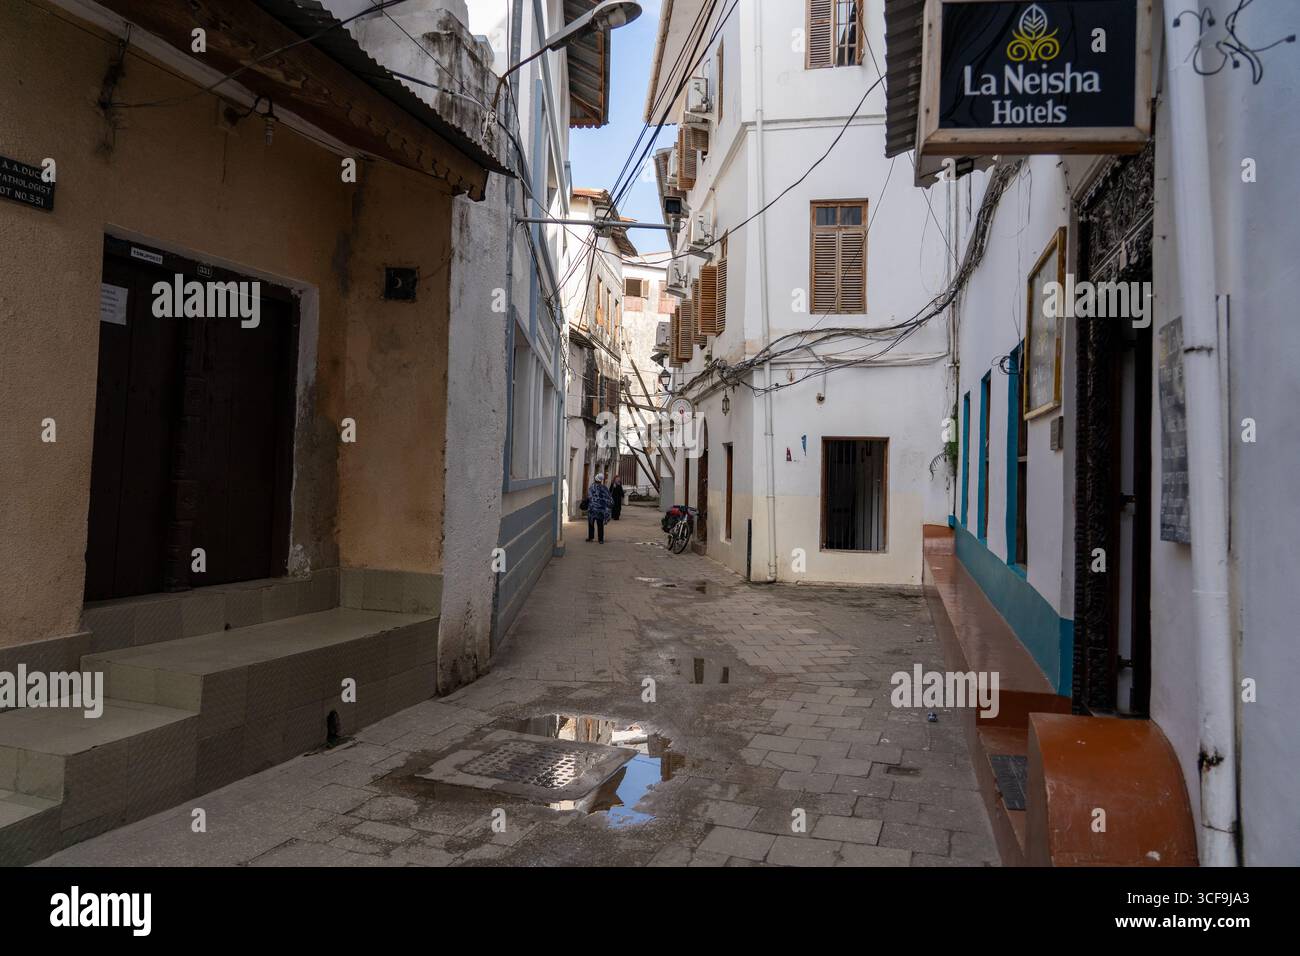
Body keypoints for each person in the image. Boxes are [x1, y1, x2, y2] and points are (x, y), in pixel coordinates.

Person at [586, 473, 613, 543]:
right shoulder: (604, 488)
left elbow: (589, 496)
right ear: (601, 480)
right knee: (600, 525)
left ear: (595, 479)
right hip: (601, 510)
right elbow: (609, 498)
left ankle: (591, 538)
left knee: (591, 523)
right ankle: (600, 539)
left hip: (592, 509)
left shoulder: (592, 487)